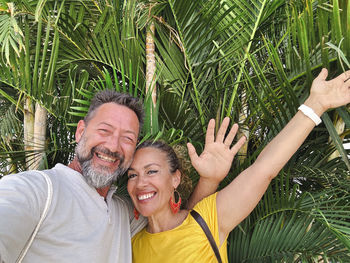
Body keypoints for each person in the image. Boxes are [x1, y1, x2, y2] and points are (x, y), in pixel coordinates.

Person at [126, 68, 350, 263]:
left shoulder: (208, 219)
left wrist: (315, 106)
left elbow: (264, 170)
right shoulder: (128, 246)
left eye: (152, 171)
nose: (140, 183)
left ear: (175, 178)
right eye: (132, 175)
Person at [0, 90, 216, 263]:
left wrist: (209, 179)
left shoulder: (124, 211)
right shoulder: (38, 190)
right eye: (104, 131)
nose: (113, 146)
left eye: (127, 139)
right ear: (80, 132)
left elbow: (178, 222)